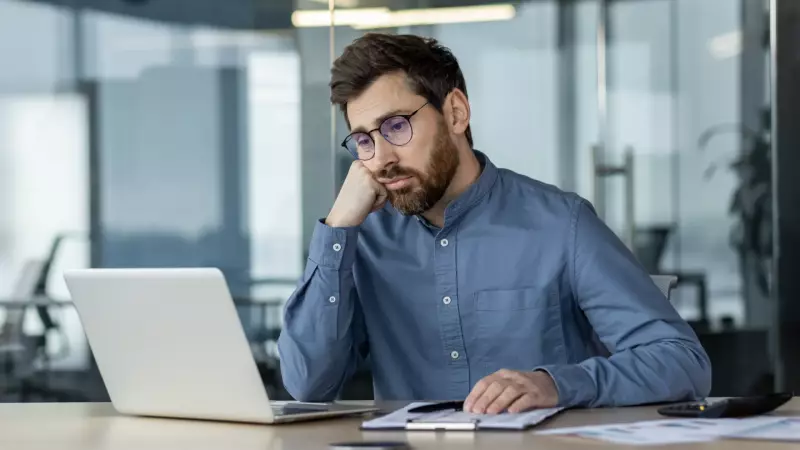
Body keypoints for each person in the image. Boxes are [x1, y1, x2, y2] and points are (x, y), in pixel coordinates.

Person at [277, 33, 711, 414]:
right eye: (365, 140)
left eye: (396, 126)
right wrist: (337, 228)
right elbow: (308, 384)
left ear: (456, 113)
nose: (382, 157)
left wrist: (555, 384)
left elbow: (680, 361)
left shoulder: (560, 225)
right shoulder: (363, 241)